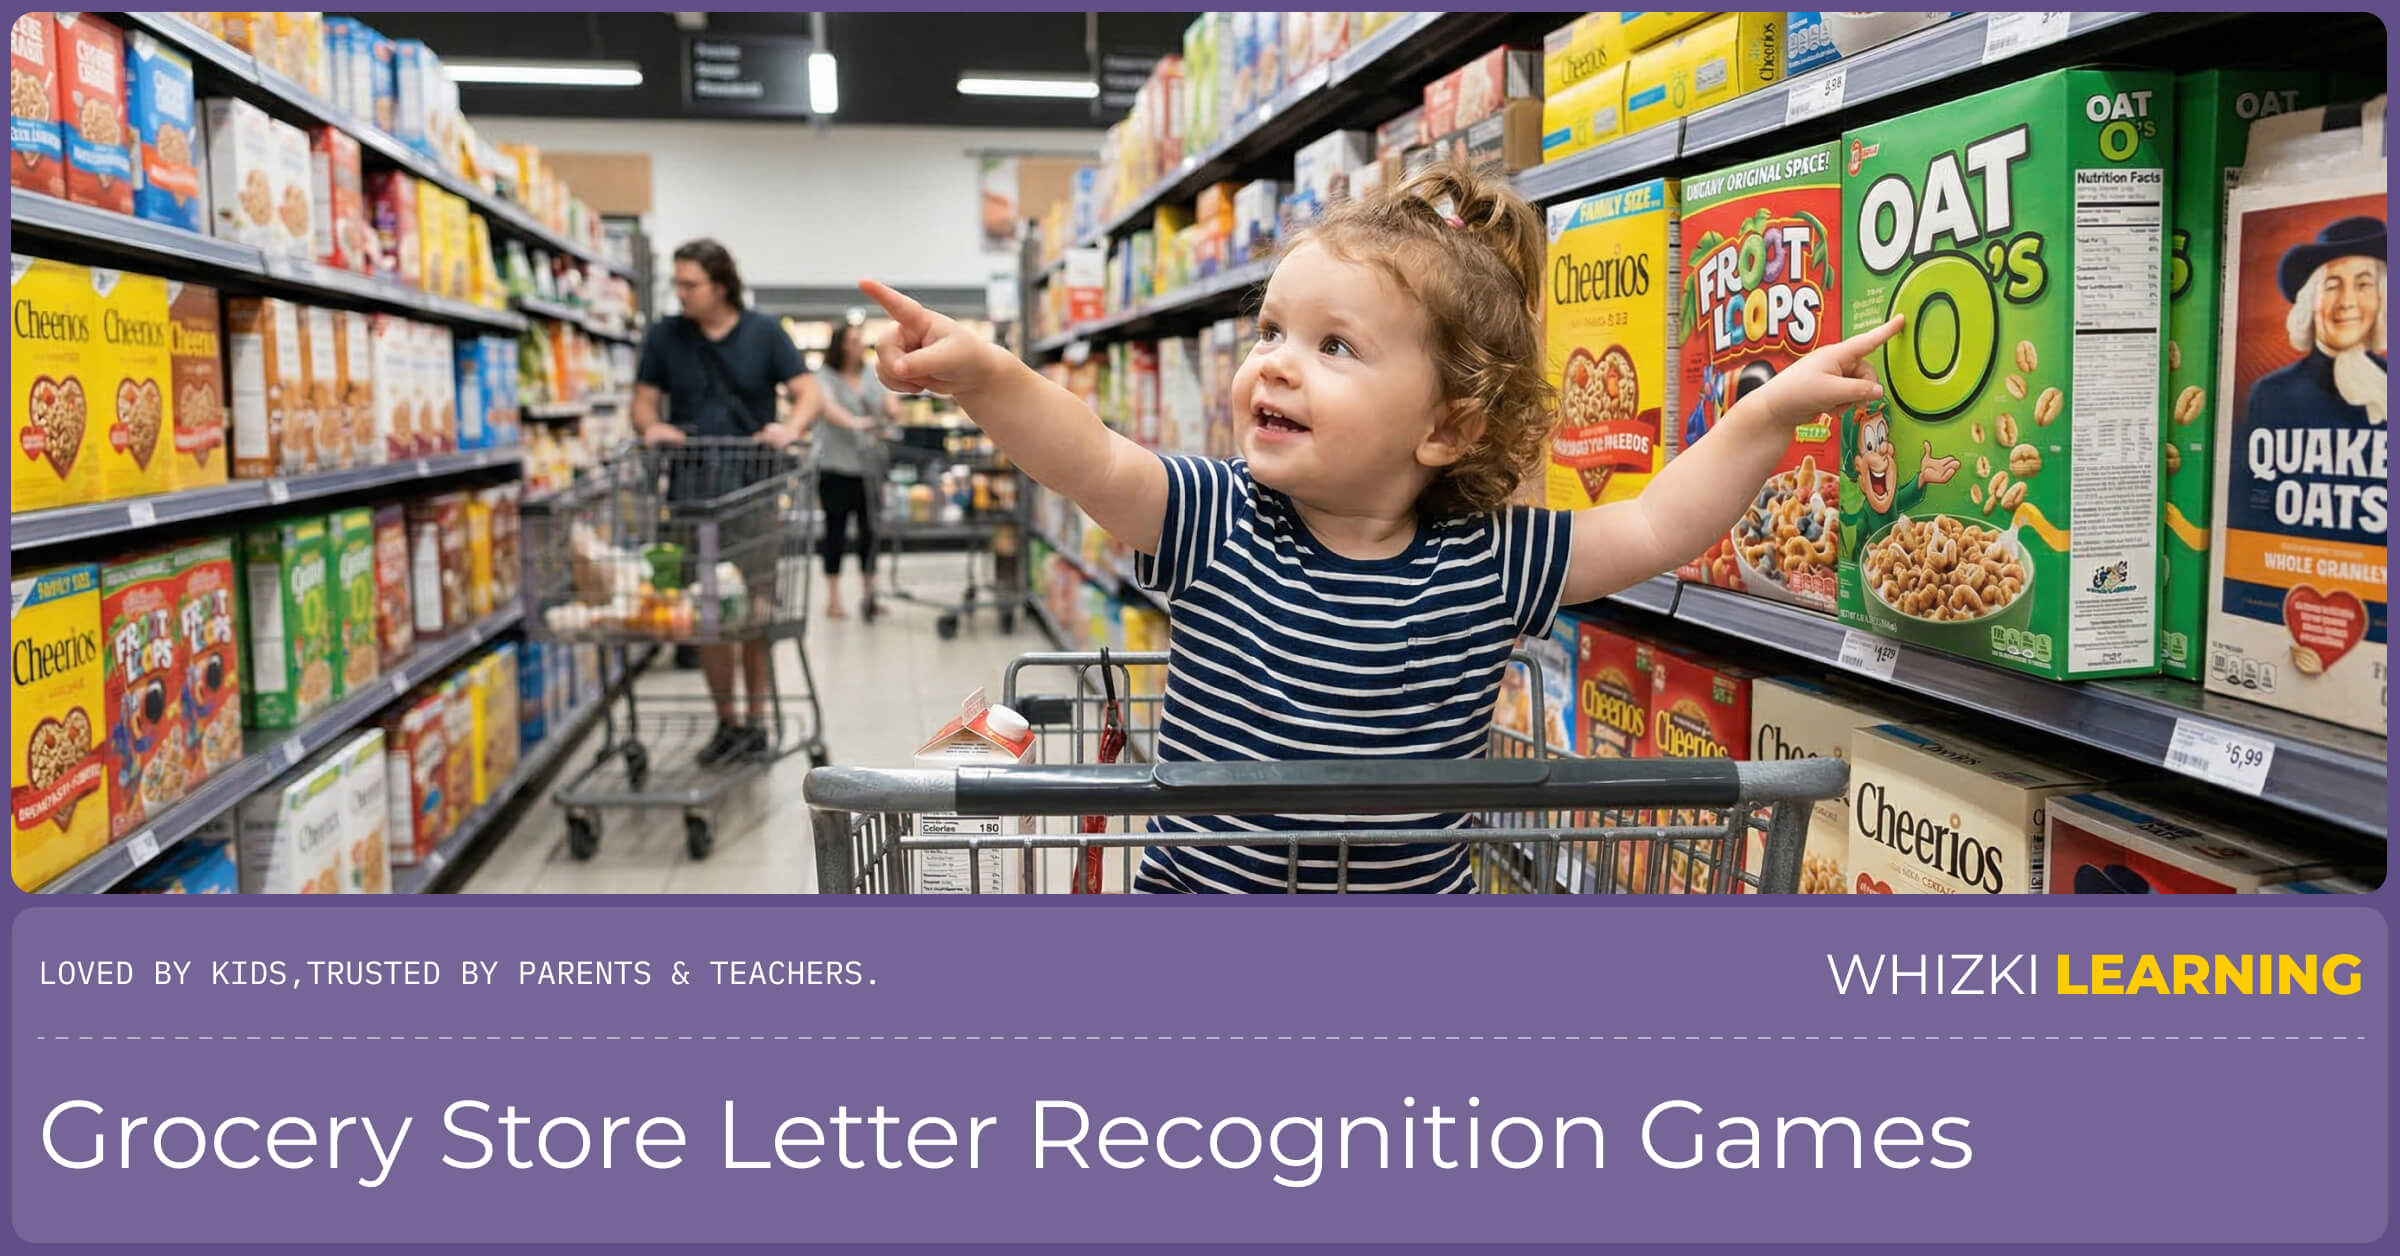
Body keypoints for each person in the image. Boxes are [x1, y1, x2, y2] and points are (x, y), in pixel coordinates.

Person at [859, 164, 1899, 892]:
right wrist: (988, 374)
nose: (1273, 360)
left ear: (1448, 424)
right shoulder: (1220, 517)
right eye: (1270, 330)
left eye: (1334, 346)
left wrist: (1763, 414)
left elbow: (1660, 522)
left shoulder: (1491, 559)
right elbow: (1084, 453)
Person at [631, 238, 818, 767]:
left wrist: (790, 428)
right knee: (709, 614)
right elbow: (642, 405)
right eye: (678, 283)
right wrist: (652, 428)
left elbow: (809, 392)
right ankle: (727, 722)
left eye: (690, 284)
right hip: (691, 494)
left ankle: (757, 720)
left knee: (754, 612)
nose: (681, 293)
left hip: (752, 492)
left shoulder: (764, 332)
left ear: (720, 285)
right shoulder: (666, 337)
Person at [800, 321, 905, 619]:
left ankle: (869, 594)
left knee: (869, 533)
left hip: (869, 468)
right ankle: (833, 599)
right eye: (851, 340)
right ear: (839, 345)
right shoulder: (825, 377)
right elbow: (827, 409)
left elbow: (889, 399)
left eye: (860, 340)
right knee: (835, 532)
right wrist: (858, 424)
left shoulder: (870, 374)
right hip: (835, 467)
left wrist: (893, 405)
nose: (857, 345)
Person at [2247, 215, 2386, 427]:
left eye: (2364, 284)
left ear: (2381, 298)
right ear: (2310, 301)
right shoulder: (2272, 395)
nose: (2347, 302)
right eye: (2331, 286)